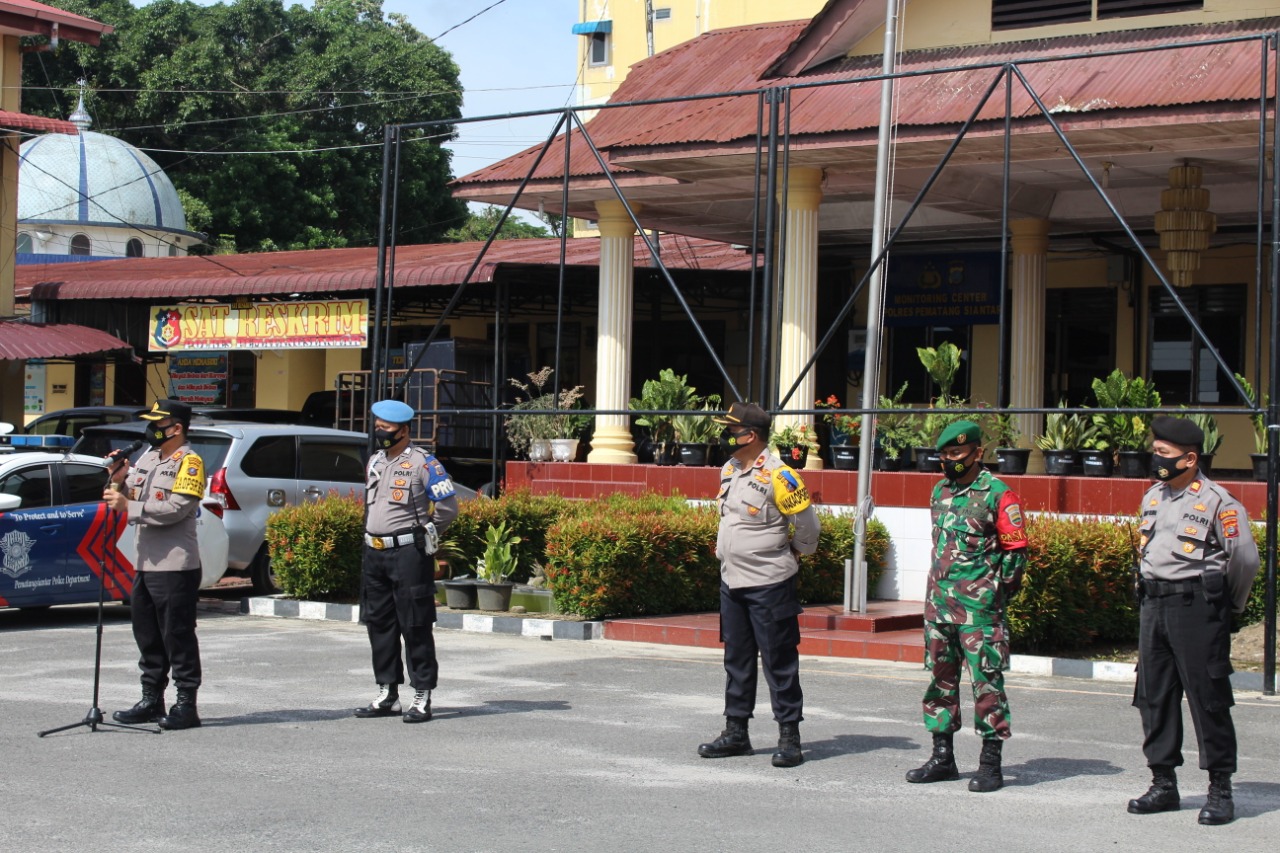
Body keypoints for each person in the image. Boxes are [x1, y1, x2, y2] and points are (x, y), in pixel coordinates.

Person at [1127, 415, 1259, 825]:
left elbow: (1244, 560)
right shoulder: (1153, 497)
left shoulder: (1220, 501)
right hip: (1154, 608)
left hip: (1196, 608)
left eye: (1163, 454)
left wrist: (1228, 610)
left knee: (1209, 699)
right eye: (1156, 452)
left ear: (1189, 458)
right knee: (1154, 697)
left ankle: (1220, 789)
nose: (1156, 459)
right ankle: (1163, 783)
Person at [697, 402, 820, 768]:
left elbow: (808, 528)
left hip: (770, 583)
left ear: (750, 435)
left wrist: (796, 554)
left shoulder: (782, 477)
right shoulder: (730, 469)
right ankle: (737, 732)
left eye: (730, 430)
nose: (725, 436)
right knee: (737, 660)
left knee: (780, 662)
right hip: (732, 582)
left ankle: (789, 736)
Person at [906, 420, 1027, 792]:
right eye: (943, 455)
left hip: (979, 612)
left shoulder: (998, 494)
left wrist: (993, 594)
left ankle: (991, 764)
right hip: (939, 608)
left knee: (987, 685)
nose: (949, 461)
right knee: (939, 683)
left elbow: (1015, 553)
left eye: (956, 454)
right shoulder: (939, 492)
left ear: (978, 453)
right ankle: (943, 757)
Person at [354, 399, 459, 724]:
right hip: (375, 553)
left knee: (415, 624)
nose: (379, 431)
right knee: (379, 625)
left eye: (386, 428)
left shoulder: (424, 464)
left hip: (408, 555)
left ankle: (422, 694)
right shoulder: (375, 460)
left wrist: (425, 533)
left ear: (403, 430)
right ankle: (387, 692)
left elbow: (448, 508)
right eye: (378, 425)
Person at [107, 399, 207, 730]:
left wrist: (129, 506)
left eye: (158, 424)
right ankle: (151, 699)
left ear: (176, 428)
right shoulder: (148, 458)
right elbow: (128, 497)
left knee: (177, 635)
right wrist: (117, 479)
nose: (152, 430)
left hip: (175, 565)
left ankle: (186, 705)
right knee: (147, 634)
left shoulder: (190, 463)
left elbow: (177, 508)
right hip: (145, 562)